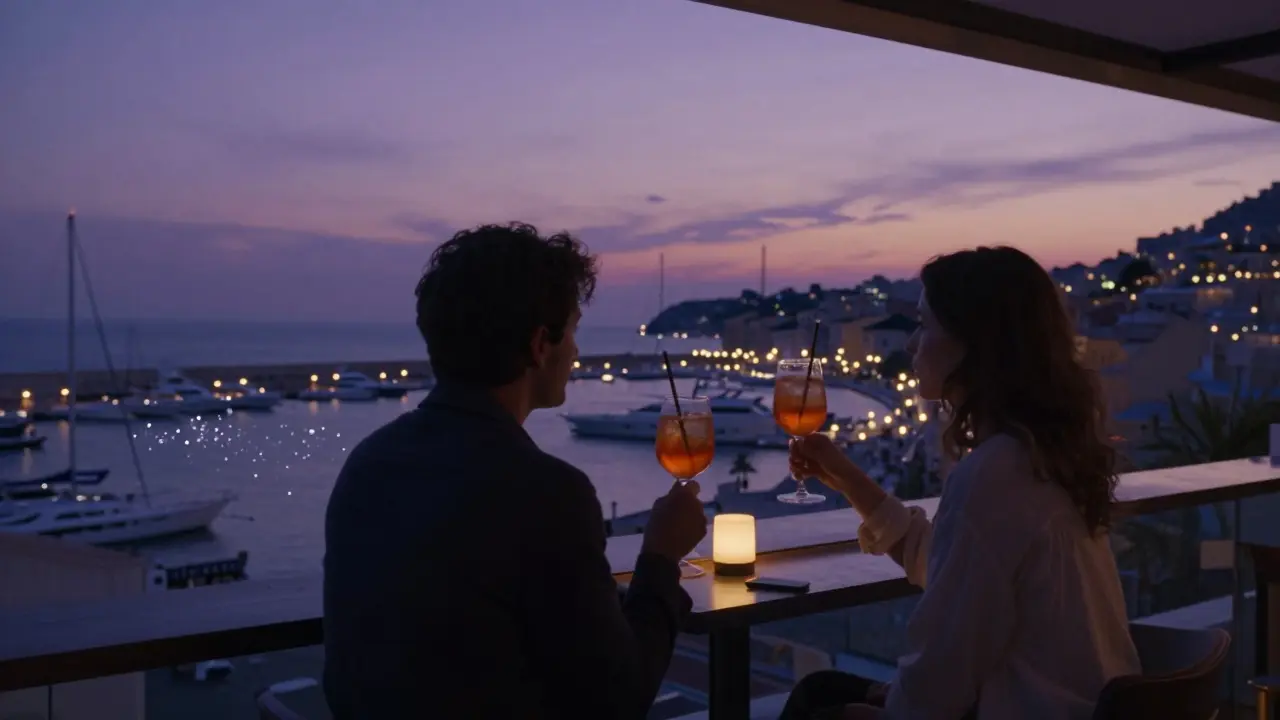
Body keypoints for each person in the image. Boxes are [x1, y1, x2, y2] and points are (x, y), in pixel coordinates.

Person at [323, 223, 707, 719]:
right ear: (538, 345)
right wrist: (660, 556)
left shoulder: (368, 464)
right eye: (571, 331)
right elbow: (620, 697)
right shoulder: (546, 493)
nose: (575, 352)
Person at [780, 246, 1141, 720]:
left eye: (925, 324)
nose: (911, 344)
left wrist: (890, 704)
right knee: (823, 688)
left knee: (816, 707)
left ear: (976, 344)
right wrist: (847, 478)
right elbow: (948, 566)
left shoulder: (995, 475)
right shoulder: (1044, 457)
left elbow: (938, 682)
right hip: (1086, 705)